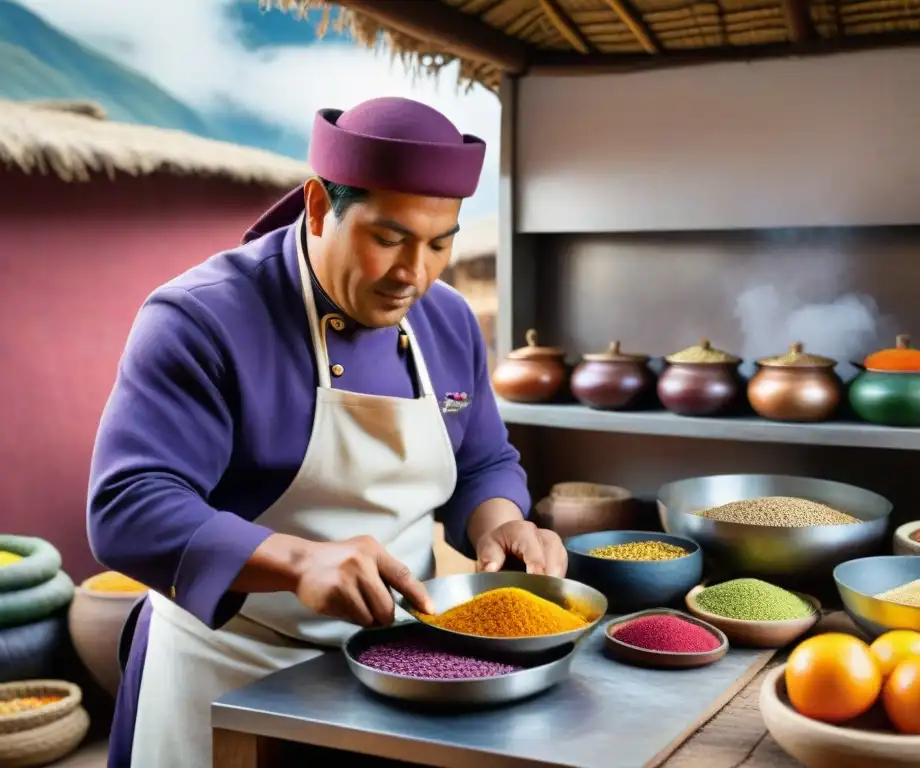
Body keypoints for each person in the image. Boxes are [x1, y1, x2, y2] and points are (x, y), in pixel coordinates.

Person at [88, 97, 567, 768]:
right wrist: (299, 561)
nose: (415, 275)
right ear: (317, 205)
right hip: (228, 668)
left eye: (440, 243)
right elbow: (127, 509)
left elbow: (484, 457)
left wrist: (499, 522)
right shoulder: (200, 320)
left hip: (395, 668)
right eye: (389, 238)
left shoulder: (448, 319)